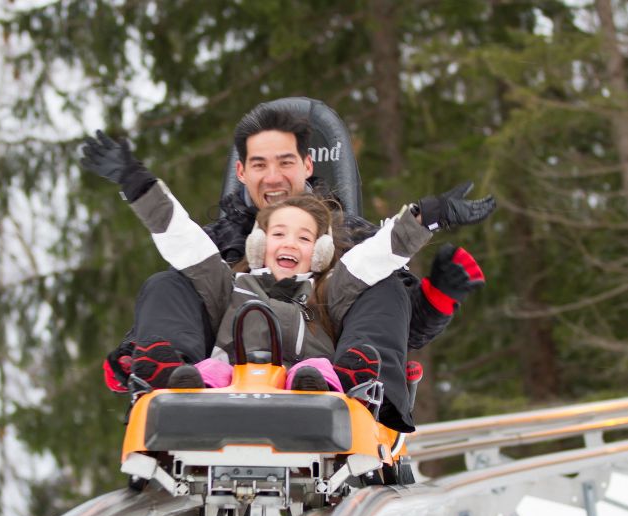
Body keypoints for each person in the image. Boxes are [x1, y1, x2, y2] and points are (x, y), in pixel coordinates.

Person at [87, 104, 495, 431]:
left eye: (285, 162)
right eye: (260, 164)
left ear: (307, 165)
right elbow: (183, 252)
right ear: (242, 172)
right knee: (171, 280)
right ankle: (166, 378)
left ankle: (357, 385)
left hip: (324, 364)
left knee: (379, 281)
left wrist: (438, 289)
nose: (274, 176)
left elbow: (396, 311)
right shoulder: (221, 247)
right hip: (225, 372)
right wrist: (134, 180)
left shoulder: (351, 242)